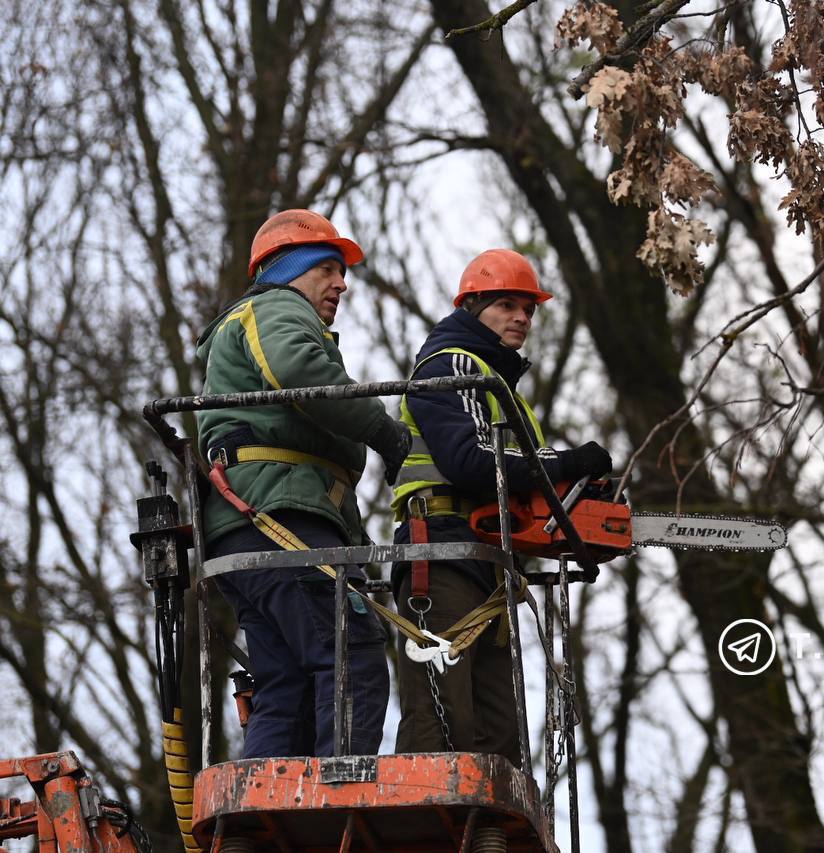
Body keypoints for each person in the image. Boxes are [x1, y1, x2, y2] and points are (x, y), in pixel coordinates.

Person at [195, 209, 410, 758]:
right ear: (291, 269)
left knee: (285, 685)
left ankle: (257, 831)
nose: (341, 284)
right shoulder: (276, 309)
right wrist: (386, 433)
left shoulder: (260, 319)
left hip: (251, 523)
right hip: (276, 516)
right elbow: (300, 373)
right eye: (328, 269)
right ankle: (335, 807)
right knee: (352, 657)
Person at [390, 249, 612, 761]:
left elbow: (520, 478)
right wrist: (566, 462)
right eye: (507, 305)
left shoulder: (499, 386)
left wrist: (578, 504)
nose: (521, 318)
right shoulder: (452, 365)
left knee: (501, 734)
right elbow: (472, 461)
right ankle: (428, 829)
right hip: (440, 552)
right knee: (442, 717)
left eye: (529, 310)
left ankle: (491, 836)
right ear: (471, 307)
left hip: (487, 560)